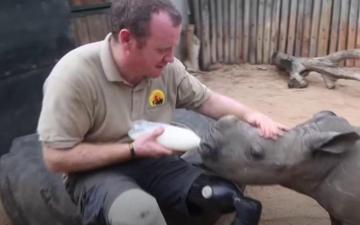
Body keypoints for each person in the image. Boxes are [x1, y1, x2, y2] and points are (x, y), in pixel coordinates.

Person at [37, 0, 287, 224]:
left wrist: (252, 115)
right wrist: (131, 150)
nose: (170, 58)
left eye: (173, 48)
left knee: (223, 196)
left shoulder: (169, 69)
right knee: (139, 213)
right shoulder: (73, 76)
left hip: (154, 162)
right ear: (127, 39)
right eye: (162, 49)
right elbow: (55, 158)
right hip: (96, 172)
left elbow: (207, 100)